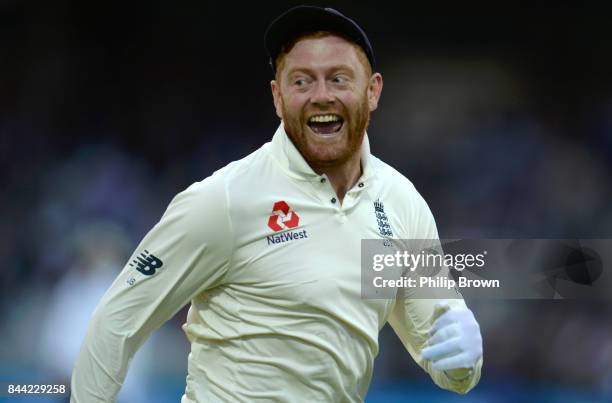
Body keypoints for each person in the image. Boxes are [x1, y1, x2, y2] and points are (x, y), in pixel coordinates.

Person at [71, 5, 483, 402]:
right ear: (278, 96)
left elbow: (446, 358)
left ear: (372, 90)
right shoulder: (225, 200)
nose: (321, 95)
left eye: (339, 79)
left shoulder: (400, 204)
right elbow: (115, 323)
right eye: (302, 81)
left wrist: (467, 356)